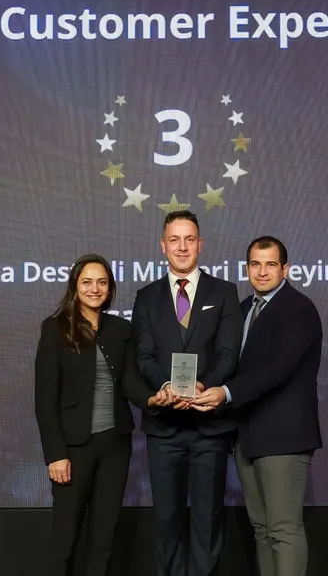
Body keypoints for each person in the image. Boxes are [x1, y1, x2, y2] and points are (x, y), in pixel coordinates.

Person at [34, 253, 176, 576]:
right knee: (65, 537)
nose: (94, 289)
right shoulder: (55, 328)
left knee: (104, 537)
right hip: (73, 448)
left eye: (101, 282)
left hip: (115, 445)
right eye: (87, 282)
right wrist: (55, 454)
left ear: (110, 288)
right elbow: (45, 398)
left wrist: (153, 399)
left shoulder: (120, 329)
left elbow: (129, 382)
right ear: (75, 286)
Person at [193, 236, 323, 576]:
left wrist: (225, 392)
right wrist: (202, 384)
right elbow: (230, 363)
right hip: (247, 436)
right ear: (247, 268)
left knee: (283, 528)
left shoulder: (298, 308)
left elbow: (277, 368)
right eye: (255, 264)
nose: (262, 272)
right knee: (262, 529)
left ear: (285, 269)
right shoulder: (244, 309)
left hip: (283, 438)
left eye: (270, 264)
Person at [131, 210, 242, 576]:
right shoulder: (146, 297)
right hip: (164, 427)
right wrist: (166, 385)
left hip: (210, 427)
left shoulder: (224, 292)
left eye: (189, 239)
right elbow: (144, 356)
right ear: (163, 246)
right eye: (174, 240)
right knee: (166, 520)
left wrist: (203, 385)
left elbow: (228, 354)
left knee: (207, 520)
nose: (182, 247)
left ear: (200, 244)